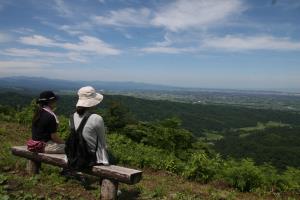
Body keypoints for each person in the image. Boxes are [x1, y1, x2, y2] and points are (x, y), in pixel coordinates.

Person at [71, 86, 109, 165]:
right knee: (114, 160)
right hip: (91, 157)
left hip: (75, 154)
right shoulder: (96, 118)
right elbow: (103, 142)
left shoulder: (72, 117)